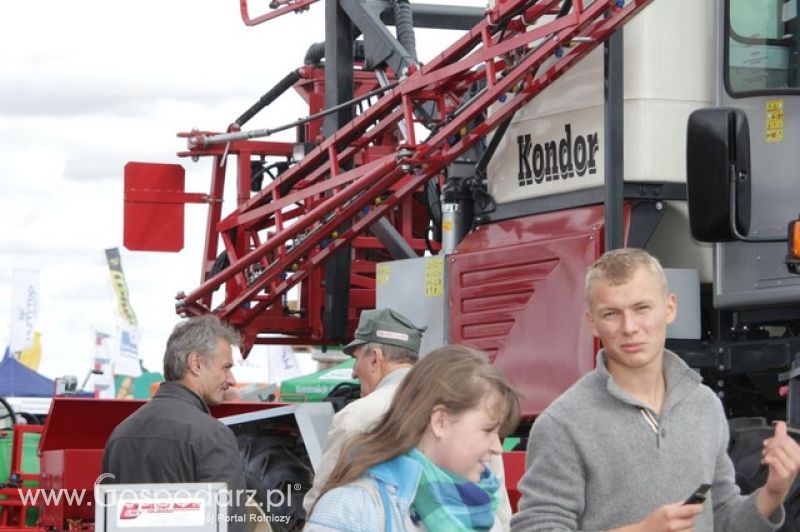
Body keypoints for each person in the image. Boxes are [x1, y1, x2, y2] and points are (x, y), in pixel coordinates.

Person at [511, 248, 800, 531]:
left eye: (641, 308)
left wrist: (773, 493)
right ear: (592, 323)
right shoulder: (562, 424)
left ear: (670, 308)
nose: (629, 327)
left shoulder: (703, 404)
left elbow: (722, 518)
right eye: (611, 313)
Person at [306, 344, 521, 531]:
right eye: (487, 430)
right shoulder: (354, 509)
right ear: (440, 422)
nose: (497, 447)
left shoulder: (482, 506)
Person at [102, 315, 247, 531]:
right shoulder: (212, 435)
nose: (231, 379)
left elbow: (109, 519)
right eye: (225, 367)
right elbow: (228, 525)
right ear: (195, 363)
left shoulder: (120, 434)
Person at [302, 308, 427, 512]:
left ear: (375, 359)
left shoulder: (357, 416)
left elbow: (323, 502)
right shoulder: (462, 409)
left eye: (356, 359)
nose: (353, 373)